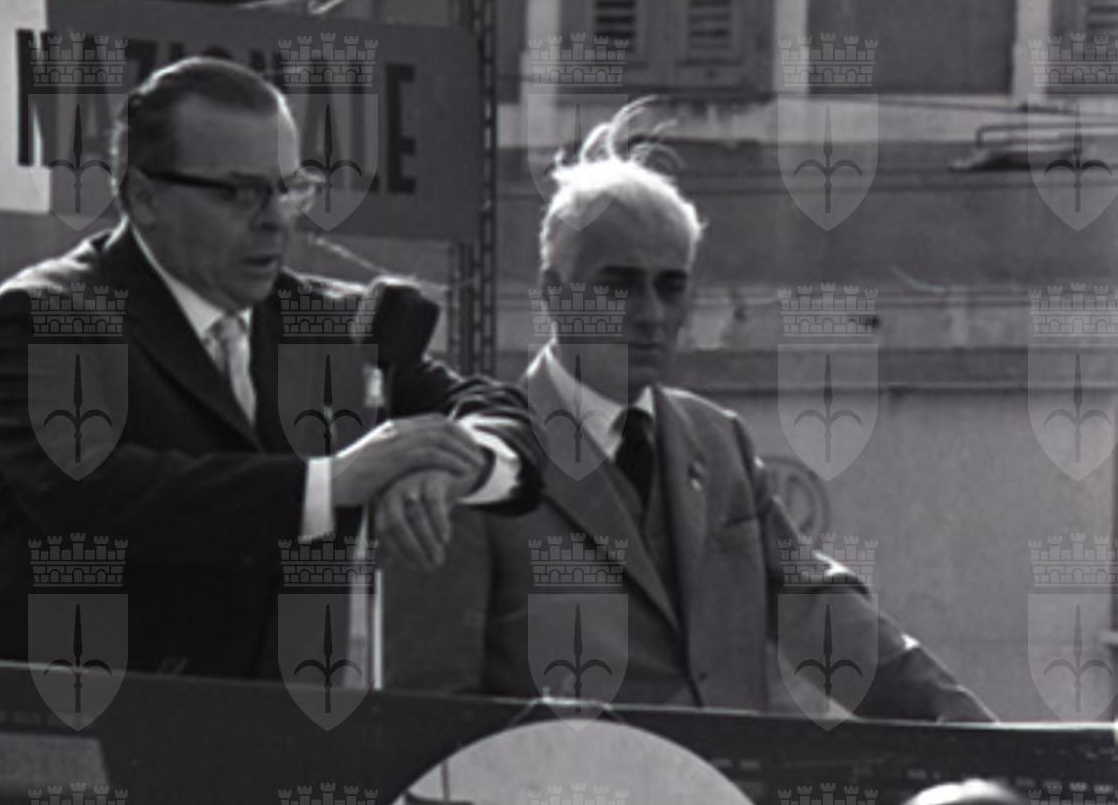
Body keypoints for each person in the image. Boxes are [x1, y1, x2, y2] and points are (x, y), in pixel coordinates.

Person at [383, 120, 993, 722]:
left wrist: (975, 736)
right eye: (619, 286)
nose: (650, 313)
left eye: (671, 287)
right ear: (555, 293)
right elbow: (430, 719)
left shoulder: (717, 442)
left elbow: (820, 613)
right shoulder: (463, 471)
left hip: (725, 788)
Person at [0, 56, 539, 677]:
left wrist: (459, 464)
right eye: (238, 193)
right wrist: (332, 483)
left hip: (263, 724)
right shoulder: (47, 315)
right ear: (143, 197)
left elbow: (504, 418)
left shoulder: (337, 328)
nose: (276, 218)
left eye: (289, 189)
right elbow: (91, 490)